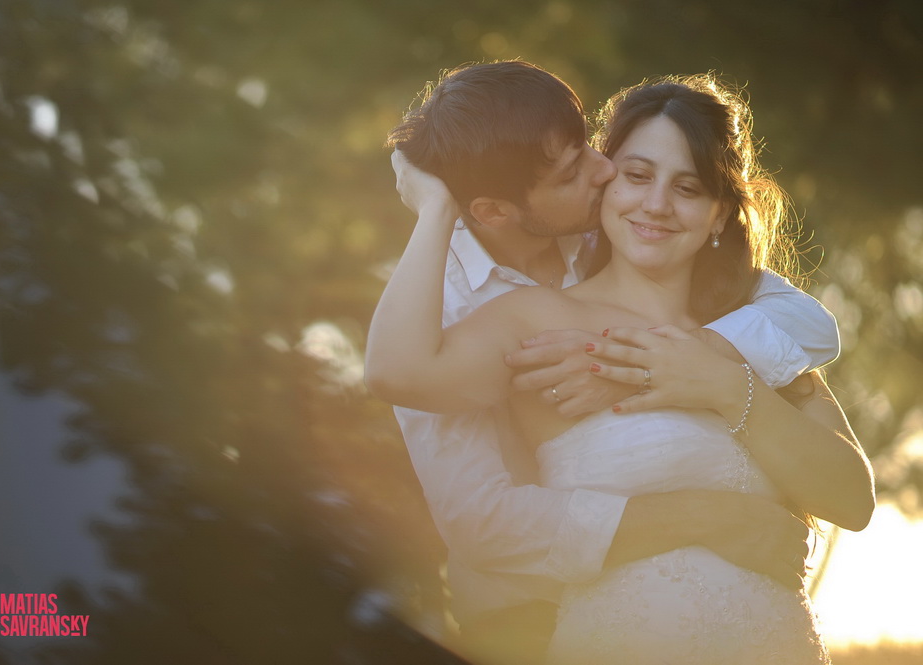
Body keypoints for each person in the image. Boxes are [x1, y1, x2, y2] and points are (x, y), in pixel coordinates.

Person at [367, 65, 874, 664]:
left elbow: (854, 500)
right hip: (547, 626)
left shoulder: (754, 322)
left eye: (688, 188)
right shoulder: (523, 319)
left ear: (719, 212)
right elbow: (406, 390)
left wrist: (713, 375)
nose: (653, 203)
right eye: (635, 174)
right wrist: (434, 211)